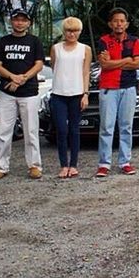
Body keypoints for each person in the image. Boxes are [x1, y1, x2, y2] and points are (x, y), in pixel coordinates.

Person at [0, 8, 45, 180]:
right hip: (7, 92)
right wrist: (12, 77)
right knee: (3, 130)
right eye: (16, 20)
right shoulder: (3, 42)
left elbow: (39, 64)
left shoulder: (34, 41)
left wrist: (22, 79)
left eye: (23, 20)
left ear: (28, 23)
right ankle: (1, 166)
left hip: (29, 92)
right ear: (11, 22)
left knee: (31, 130)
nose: (19, 23)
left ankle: (34, 166)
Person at [95, 7, 139, 178]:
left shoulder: (134, 41)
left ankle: (125, 162)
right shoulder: (103, 41)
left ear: (127, 23)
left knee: (126, 127)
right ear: (110, 23)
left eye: (122, 21)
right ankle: (104, 164)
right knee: (107, 127)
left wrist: (115, 61)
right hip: (108, 87)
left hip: (128, 88)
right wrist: (126, 60)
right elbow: (104, 65)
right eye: (115, 20)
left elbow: (137, 64)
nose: (119, 24)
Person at [49, 17, 93, 178]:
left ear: (80, 32)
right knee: (61, 130)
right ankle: (63, 165)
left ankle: (73, 164)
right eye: (68, 30)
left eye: (75, 31)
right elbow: (54, 67)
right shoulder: (56, 48)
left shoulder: (85, 49)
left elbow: (86, 71)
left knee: (74, 130)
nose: (71, 34)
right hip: (59, 94)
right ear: (64, 31)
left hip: (77, 94)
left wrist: (85, 94)